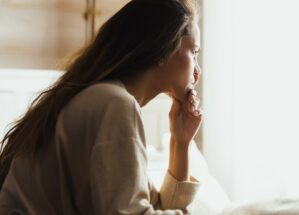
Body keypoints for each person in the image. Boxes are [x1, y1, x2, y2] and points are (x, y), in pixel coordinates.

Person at [0, 0, 203, 214]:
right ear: (163, 50)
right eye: (194, 52)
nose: (198, 71)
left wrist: (181, 143)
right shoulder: (113, 103)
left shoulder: (105, 99)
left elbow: (151, 208)